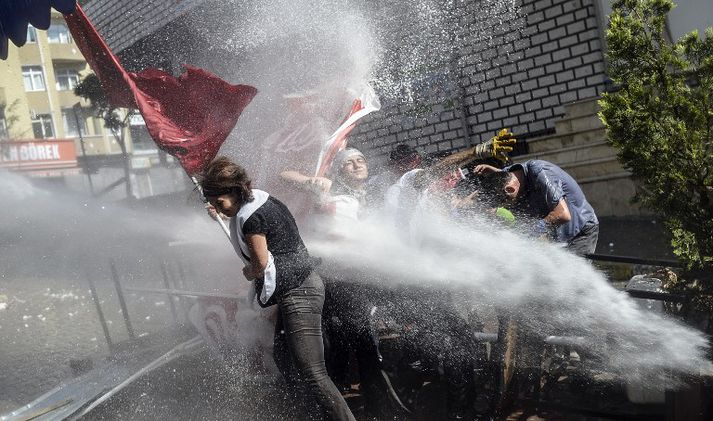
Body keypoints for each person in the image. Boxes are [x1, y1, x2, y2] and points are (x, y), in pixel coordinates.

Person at [201, 156, 355, 421]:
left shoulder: (252, 218)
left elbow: (259, 263)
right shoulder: (261, 200)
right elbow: (242, 222)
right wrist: (221, 214)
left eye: (220, 202)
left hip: (300, 293)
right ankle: (309, 415)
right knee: (285, 359)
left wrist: (248, 272)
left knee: (313, 372)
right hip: (300, 287)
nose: (219, 208)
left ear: (235, 192)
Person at [475, 159, 599, 255]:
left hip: (580, 230)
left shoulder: (541, 172)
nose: (510, 206)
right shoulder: (509, 176)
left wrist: (530, 233)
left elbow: (562, 214)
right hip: (557, 236)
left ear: (510, 189)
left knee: (573, 282)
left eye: (507, 203)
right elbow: (502, 177)